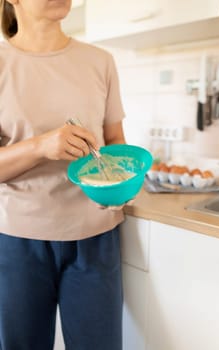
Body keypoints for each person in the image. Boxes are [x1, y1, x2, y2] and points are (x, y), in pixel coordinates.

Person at [0, 1, 127, 349]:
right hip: (16, 242)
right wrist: (41, 146)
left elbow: (115, 142)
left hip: (97, 236)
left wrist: (123, 184)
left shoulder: (100, 62)